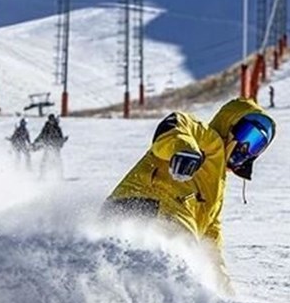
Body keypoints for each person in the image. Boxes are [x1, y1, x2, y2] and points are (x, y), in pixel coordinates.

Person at [102, 97, 276, 292]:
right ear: (231, 125)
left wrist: (226, 295)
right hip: (149, 207)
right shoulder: (205, 137)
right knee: (180, 273)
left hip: (149, 221)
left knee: (143, 282)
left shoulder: (216, 190)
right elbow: (174, 126)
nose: (246, 148)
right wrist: (184, 150)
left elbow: (211, 248)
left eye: (256, 145)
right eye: (248, 136)